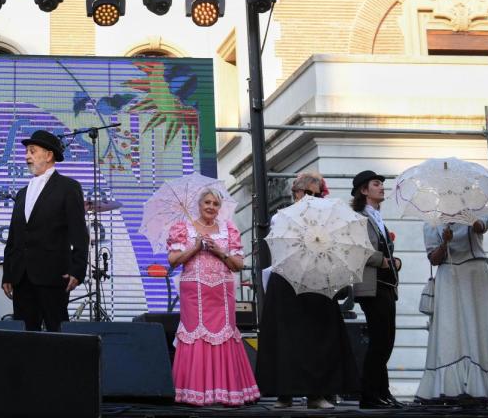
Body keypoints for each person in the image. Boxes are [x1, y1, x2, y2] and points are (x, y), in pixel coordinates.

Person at [256, 172, 358, 409]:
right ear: (298, 193)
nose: (314, 198)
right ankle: (284, 394)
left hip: (317, 280)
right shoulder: (281, 217)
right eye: (309, 193)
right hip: (286, 281)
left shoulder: (327, 219)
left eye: (317, 193)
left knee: (318, 339)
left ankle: (316, 393)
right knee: (285, 339)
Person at [166, 186, 259, 407]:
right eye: (207, 202)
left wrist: (219, 251)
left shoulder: (229, 229)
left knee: (225, 335)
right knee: (195, 335)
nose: (211, 207)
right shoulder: (183, 228)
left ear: (219, 208)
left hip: (221, 294)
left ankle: (225, 391)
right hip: (194, 294)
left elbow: (237, 265)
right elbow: (173, 261)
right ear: (199, 205)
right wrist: (195, 248)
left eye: (215, 204)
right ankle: (194, 391)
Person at [416, 216, 488, 403]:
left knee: (483, 327)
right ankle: (452, 386)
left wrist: (466, 215)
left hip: (475, 274)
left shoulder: (476, 208)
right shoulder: (432, 221)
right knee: (451, 330)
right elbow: (434, 259)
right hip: (449, 277)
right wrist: (445, 242)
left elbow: (480, 227)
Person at [2, 130, 88, 332]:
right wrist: (8, 273)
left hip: (53, 274)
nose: (27, 156)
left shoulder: (68, 187)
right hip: (22, 276)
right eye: (26, 152)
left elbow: (79, 232)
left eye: (32, 151)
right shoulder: (23, 193)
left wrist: (77, 269)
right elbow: (15, 236)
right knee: (24, 335)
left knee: (56, 331)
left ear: (49, 155)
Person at [351, 170, 403, 409]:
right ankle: (369, 395)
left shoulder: (377, 216)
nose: (382, 187)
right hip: (371, 286)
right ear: (364, 190)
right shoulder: (358, 217)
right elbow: (357, 249)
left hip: (386, 284)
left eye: (382, 183)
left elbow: (384, 248)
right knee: (380, 341)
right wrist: (383, 260)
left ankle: (383, 392)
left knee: (387, 339)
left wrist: (395, 261)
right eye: (376, 184)